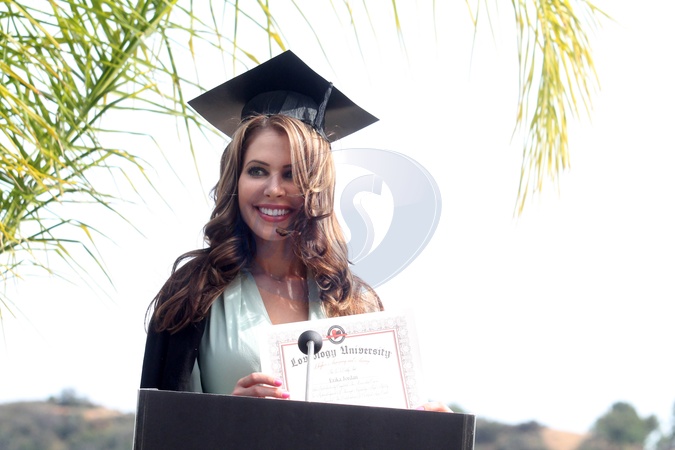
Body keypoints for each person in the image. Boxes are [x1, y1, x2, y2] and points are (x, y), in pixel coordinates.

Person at [140, 51, 449, 412]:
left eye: (292, 174)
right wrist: (229, 416)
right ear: (235, 180)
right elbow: (159, 427)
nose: (273, 189)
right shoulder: (192, 292)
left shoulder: (354, 303)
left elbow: (374, 427)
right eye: (257, 170)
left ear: (316, 186)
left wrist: (427, 427)